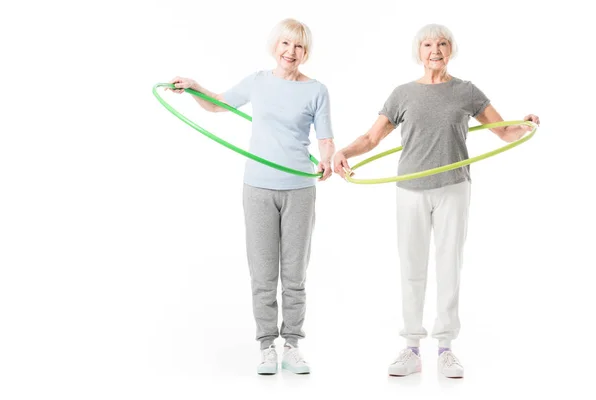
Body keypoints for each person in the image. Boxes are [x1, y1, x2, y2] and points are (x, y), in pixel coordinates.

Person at [333, 24, 540, 378]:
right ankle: (412, 348)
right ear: (418, 51)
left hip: (453, 187)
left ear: (451, 50)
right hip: (410, 189)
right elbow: (371, 138)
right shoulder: (402, 95)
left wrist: (526, 125)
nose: (435, 50)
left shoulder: (466, 91)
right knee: (412, 268)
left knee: (448, 267)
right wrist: (344, 153)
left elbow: (503, 131)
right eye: (428, 44)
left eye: (442, 44)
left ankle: (445, 348)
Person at [169, 18, 334, 375]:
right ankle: (266, 348)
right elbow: (218, 105)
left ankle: (291, 345)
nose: (291, 52)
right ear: (276, 45)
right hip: (257, 187)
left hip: (300, 189)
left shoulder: (317, 90)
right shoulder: (257, 82)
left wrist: (327, 160)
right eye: (286, 44)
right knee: (262, 273)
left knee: (294, 275)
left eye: (299, 46)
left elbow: (325, 138)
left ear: (306, 52)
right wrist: (196, 87)